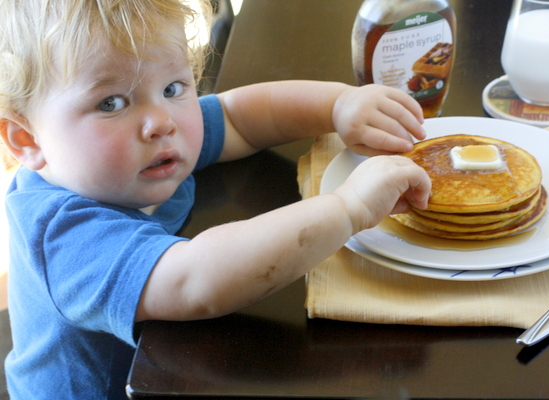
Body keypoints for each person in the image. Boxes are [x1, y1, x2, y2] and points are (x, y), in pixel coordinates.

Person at [0, 0, 432, 398]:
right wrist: (349, 208)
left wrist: (339, 105)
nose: (161, 121)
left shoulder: (147, 150)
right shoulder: (62, 236)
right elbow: (197, 281)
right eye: (111, 103)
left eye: (172, 88)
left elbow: (237, 116)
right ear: (26, 138)